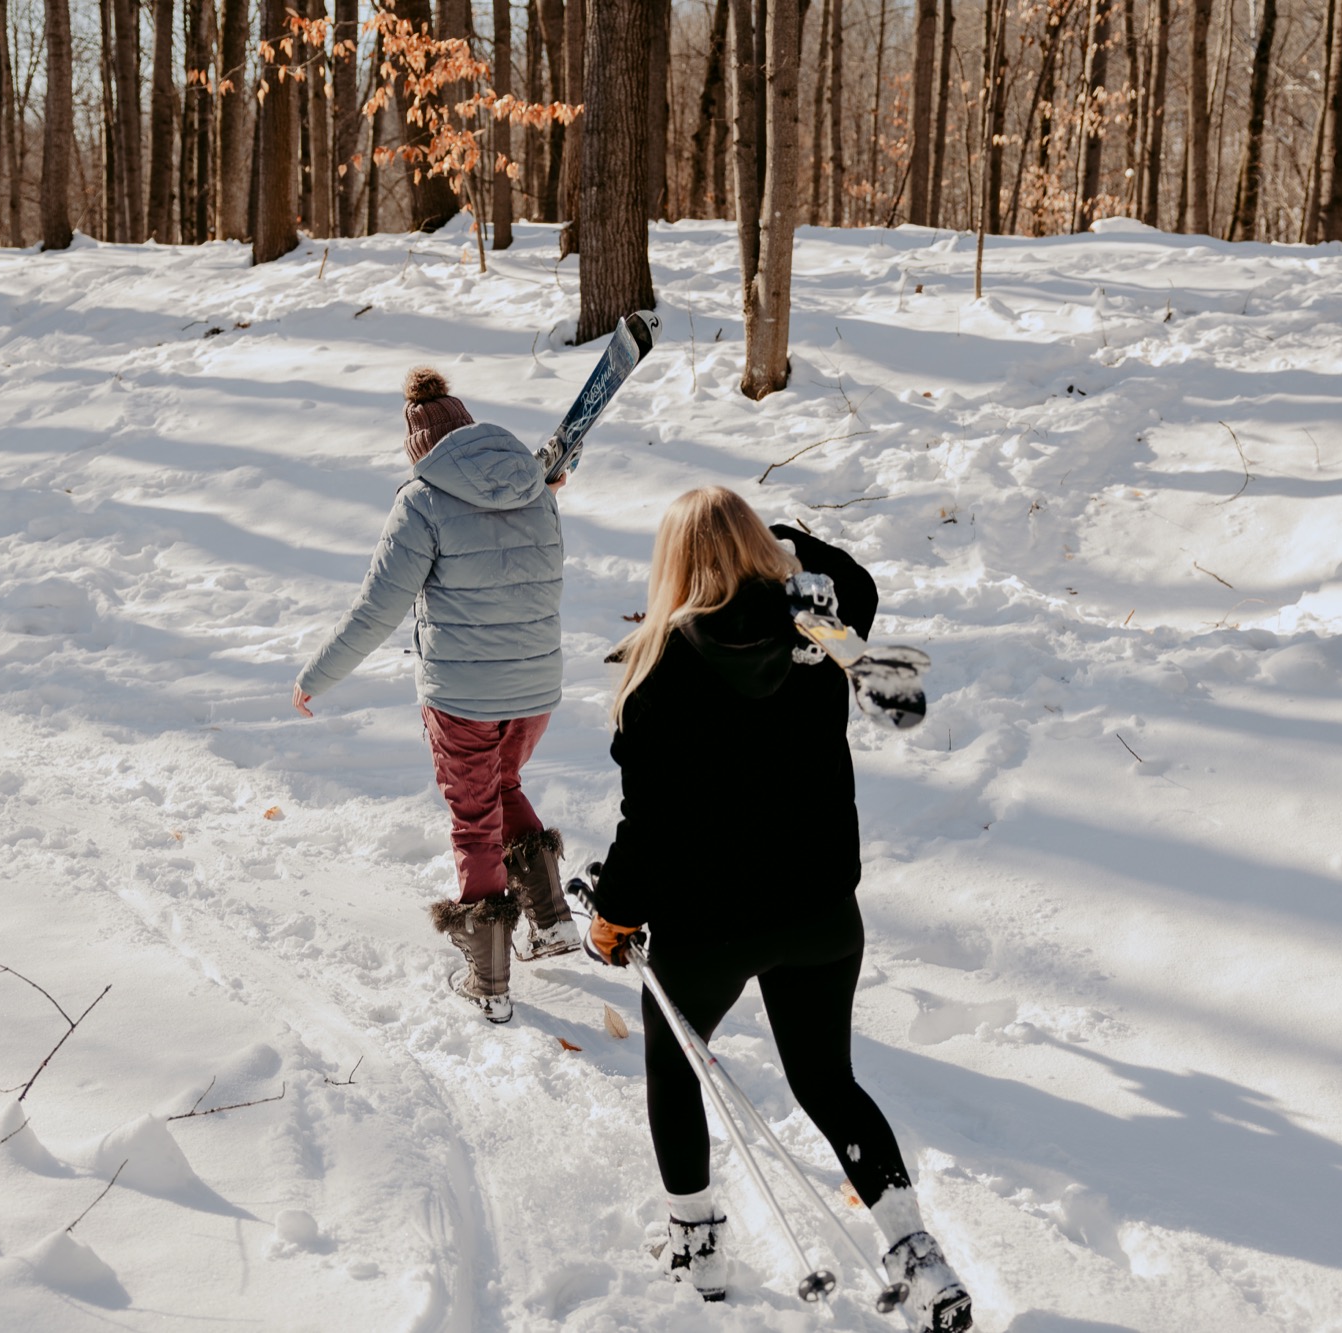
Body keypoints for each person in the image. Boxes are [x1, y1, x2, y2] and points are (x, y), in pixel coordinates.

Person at [581, 487, 972, 1331]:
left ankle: (697, 1242)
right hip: (820, 914)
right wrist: (784, 540)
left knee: (677, 1071)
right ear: (767, 549)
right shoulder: (818, 637)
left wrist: (612, 913)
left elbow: (645, 827)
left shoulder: (658, 672)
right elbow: (854, 578)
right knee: (829, 1081)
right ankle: (917, 1251)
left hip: (706, 931)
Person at [292, 367, 577, 1023]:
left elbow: (376, 610)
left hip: (464, 697)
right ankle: (552, 919)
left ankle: (490, 979)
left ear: (422, 450)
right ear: (470, 429)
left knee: (475, 814)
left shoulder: (421, 501)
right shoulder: (536, 486)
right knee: (502, 783)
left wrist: (317, 676)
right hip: (536, 690)